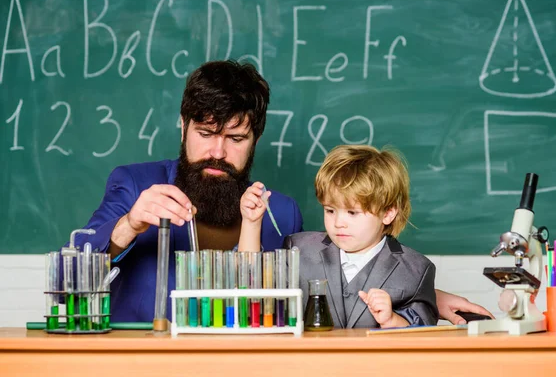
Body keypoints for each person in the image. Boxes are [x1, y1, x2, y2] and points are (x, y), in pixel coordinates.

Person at [65, 60, 491, 324]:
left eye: (235, 138)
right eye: (206, 132)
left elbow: (324, 277)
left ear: (256, 137)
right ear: (183, 126)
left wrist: (427, 296)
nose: (217, 151)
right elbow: (69, 282)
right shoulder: (136, 185)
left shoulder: (280, 213)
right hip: (144, 362)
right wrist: (127, 225)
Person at [239, 145, 438, 328]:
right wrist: (251, 223)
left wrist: (393, 320)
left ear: (388, 213)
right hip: (308, 364)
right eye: (330, 210)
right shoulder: (298, 250)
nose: (338, 223)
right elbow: (252, 294)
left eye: (352, 213)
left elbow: (423, 330)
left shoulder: (415, 269)